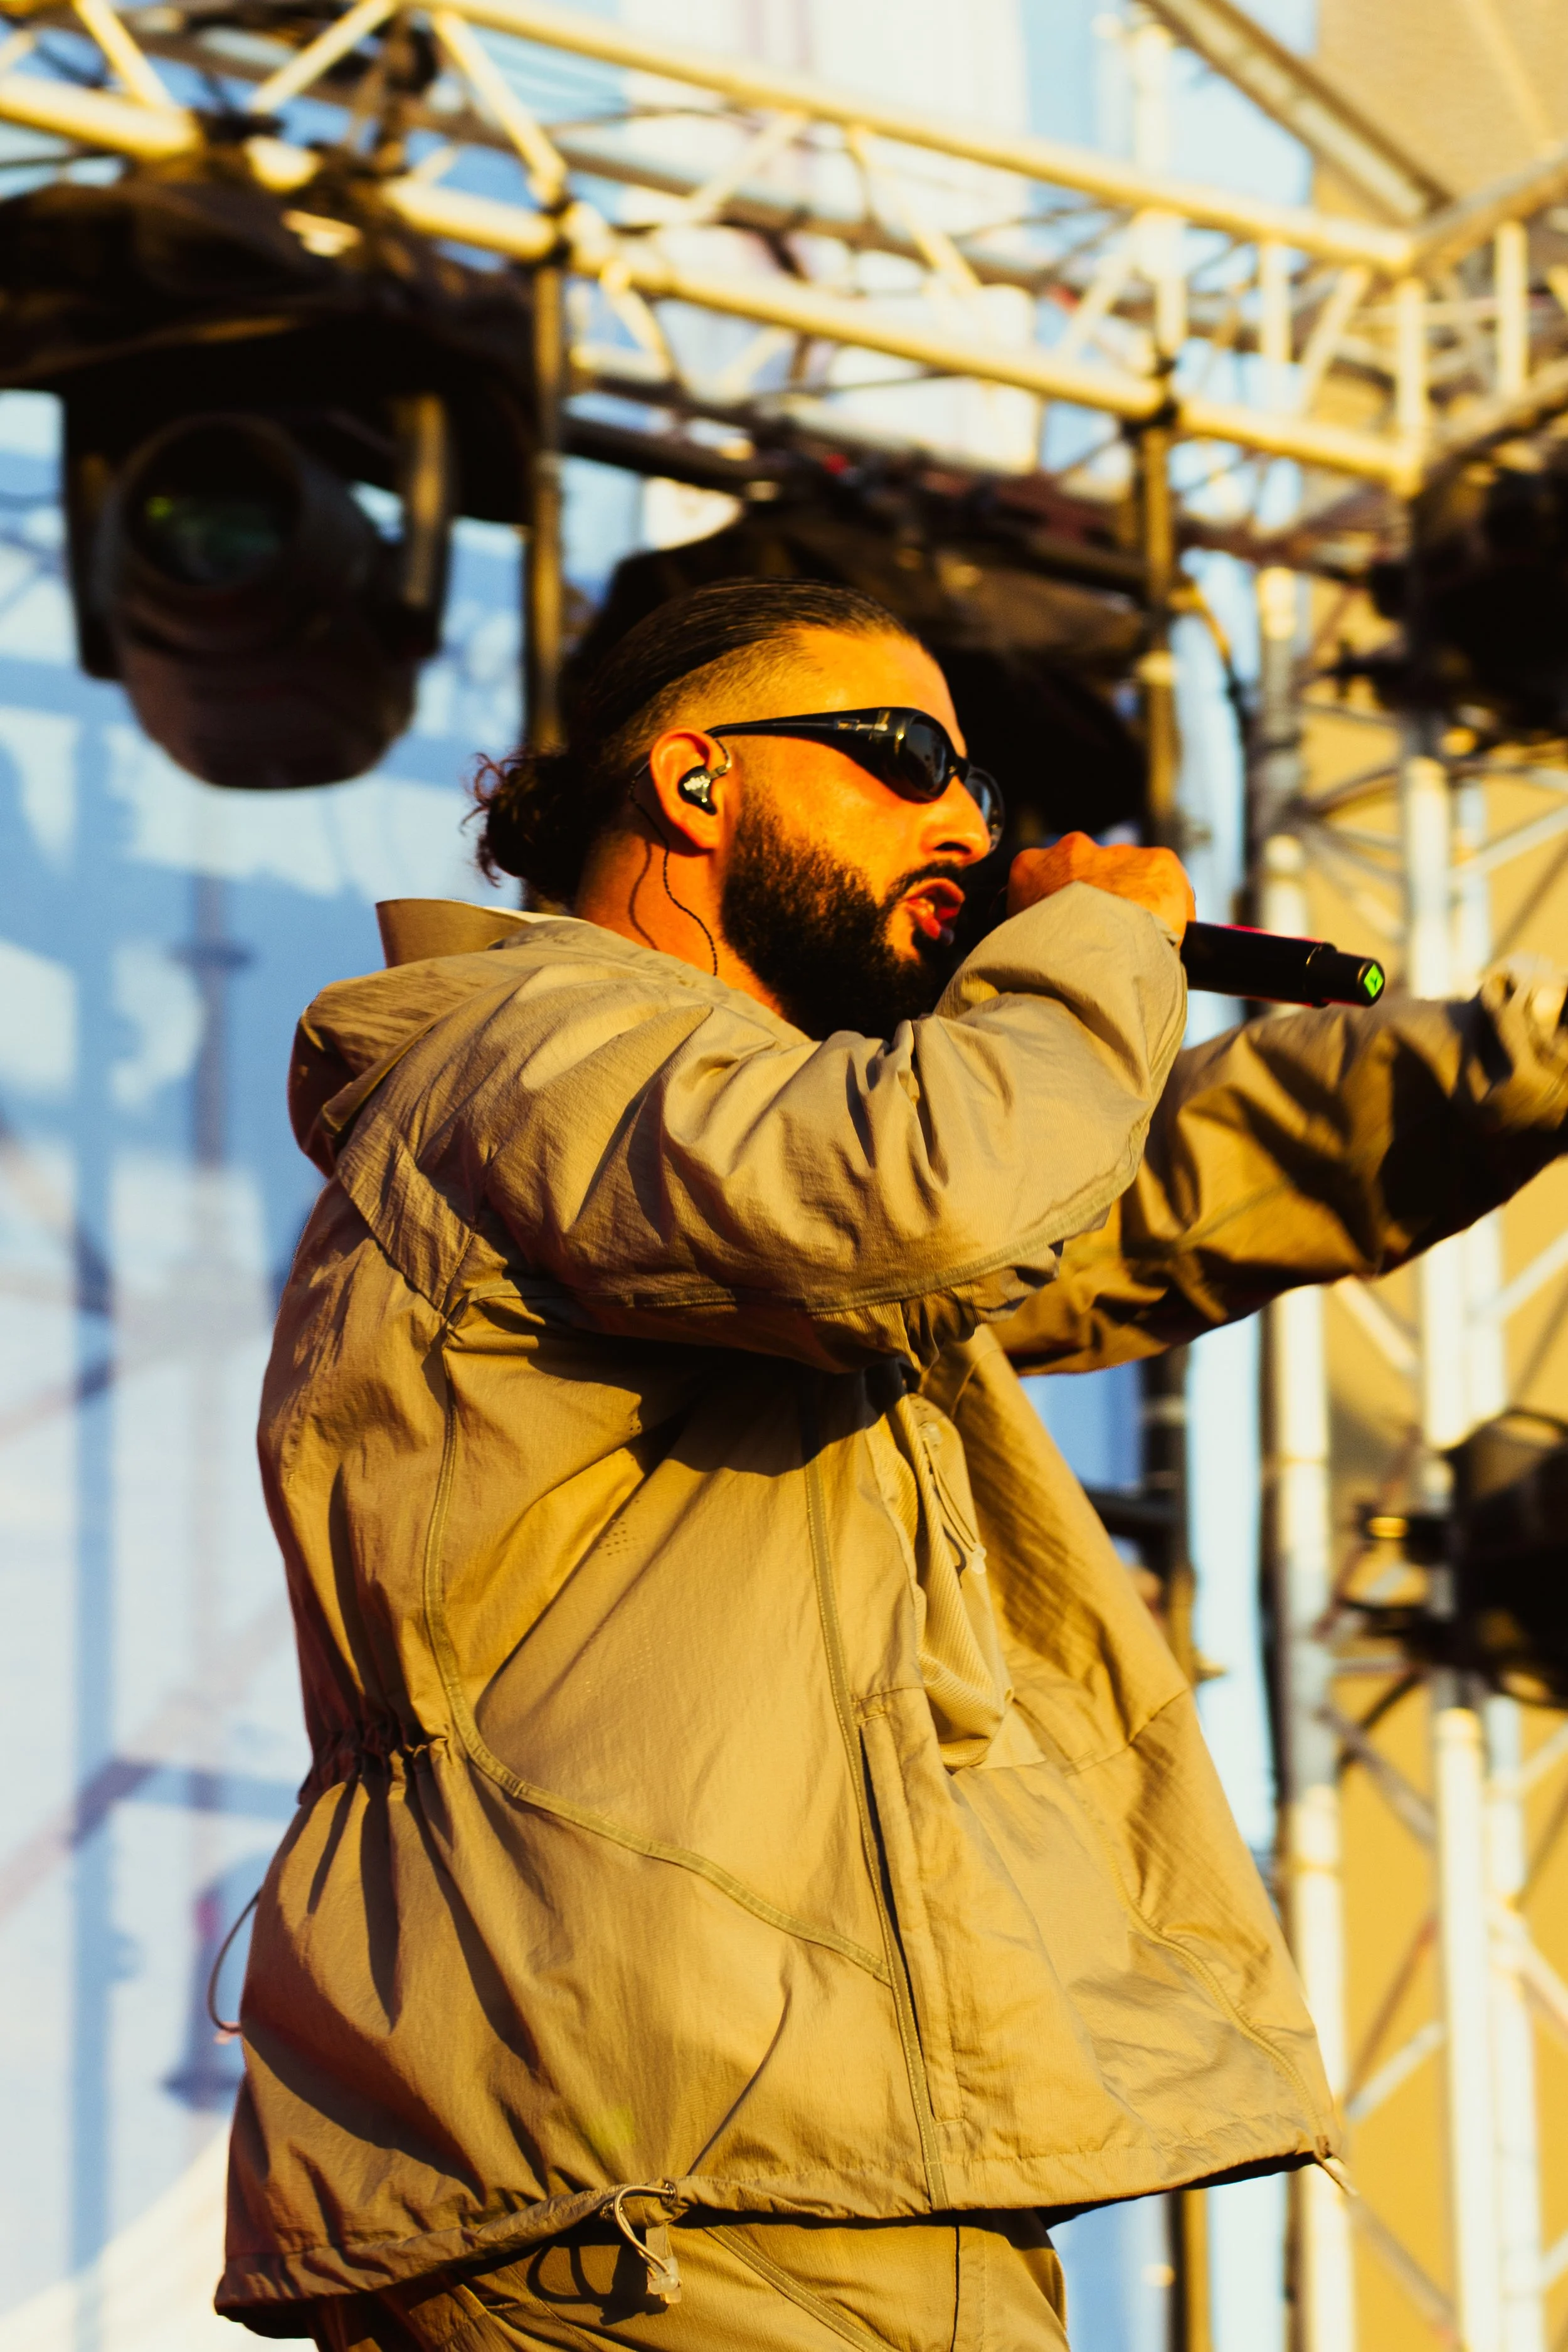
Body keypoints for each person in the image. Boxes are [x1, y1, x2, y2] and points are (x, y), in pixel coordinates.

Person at [219, 579, 1568, 2352]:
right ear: (695, 785)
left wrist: (1505, 1065)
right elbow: (932, 1196)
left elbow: (1114, 1198)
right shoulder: (529, 1048)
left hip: (787, 2159)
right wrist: (1093, 947)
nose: (966, 825)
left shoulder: (735, 1146)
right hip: (652, 2171)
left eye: (980, 792)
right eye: (904, 759)